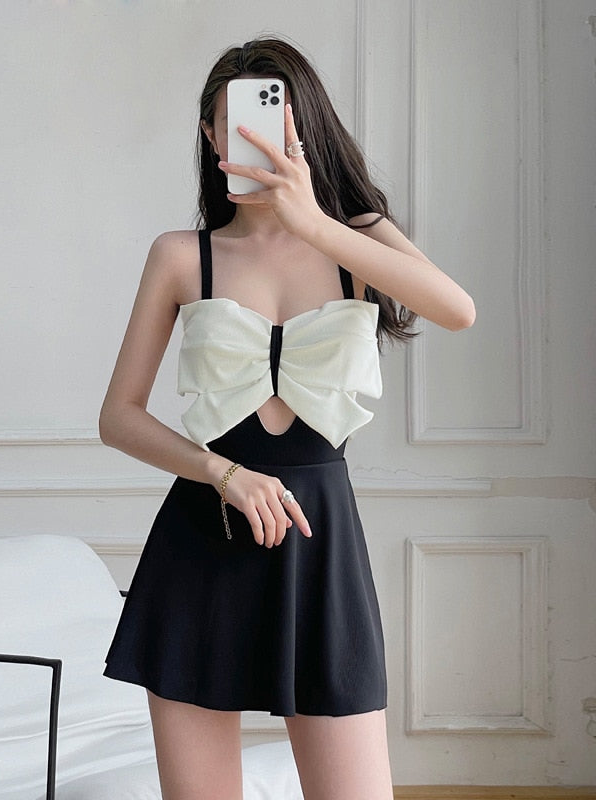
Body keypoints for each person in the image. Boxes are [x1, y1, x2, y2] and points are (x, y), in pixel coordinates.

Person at [99, 36, 475, 800]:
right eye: (231, 123)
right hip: (202, 542)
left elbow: (457, 310)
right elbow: (119, 417)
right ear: (210, 136)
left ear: (304, 131)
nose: (248, 138)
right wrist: (223, 473)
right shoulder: (181, 255)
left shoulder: (358, 240)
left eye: (268, 122)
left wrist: (312, 221)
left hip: (320, 548)